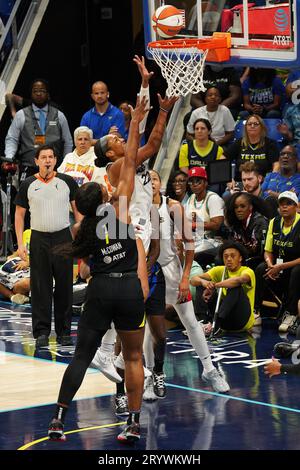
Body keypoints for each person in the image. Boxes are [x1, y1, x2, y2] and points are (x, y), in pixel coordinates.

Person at [47, 96, 149, 444]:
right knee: (133, 357)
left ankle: (59, 418)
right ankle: (133, 424)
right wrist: (135, 120)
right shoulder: (118, 207)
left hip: (101, 290)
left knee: (81, 356)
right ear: (104, 196)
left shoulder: (83, 229)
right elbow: (132, 156)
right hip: (129, 291)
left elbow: (87, 271)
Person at [147, 169, 229, 394]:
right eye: (147, 179)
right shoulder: (136, 208)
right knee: (149, 329)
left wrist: (185, 278)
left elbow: (189, 243)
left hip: (172, 271)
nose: (151, 182)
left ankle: (209, 369)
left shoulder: (172, 206)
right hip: (147, 273)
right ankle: (150, 376)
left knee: (190, 321)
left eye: (155, 178)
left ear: (161, 183)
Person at [14, 144, 80, 348]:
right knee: (40, 287)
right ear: (36, 161)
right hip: (39, 238)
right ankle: (41, 332)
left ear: (55, 160)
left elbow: (78, 214)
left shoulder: (67, 181)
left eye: (51, 156)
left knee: (64, 287)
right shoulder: (27, 184)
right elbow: (19, 215)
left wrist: (80, 237)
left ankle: (64, 332)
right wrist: (20, 244)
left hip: (62, 238)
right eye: (43, 157)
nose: (48, 160)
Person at [4, 79, 73, 177]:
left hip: (54, 169)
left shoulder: (59, 115)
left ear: (48, 94)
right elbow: (12, 138)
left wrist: (66, 164)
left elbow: (68, 141)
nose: (38, 93)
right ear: (31, 93)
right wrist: (9, 157)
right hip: (28, 168)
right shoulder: (21, 115)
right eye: (35, 91)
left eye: (42, 91)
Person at [255, 191, 300, 333]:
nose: (284, 207)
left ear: (296, 207)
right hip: (277, 266)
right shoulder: (274, 222)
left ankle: (291, 314)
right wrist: (270, 265)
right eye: (281, 204)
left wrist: (281, 266)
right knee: (261, 268)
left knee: (297, 270)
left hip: (294, 267)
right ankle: (255, 311)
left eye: (289, 204)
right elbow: (268, 251)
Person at [191, 241, 256, 335]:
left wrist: (214, 285)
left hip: (241, 320)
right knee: (202, 283)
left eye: (233, 256)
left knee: (235, 287)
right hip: (225, 321)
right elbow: (193, 280)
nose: (229, 259)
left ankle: (216, 324)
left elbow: (239, 280)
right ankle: (204, 322)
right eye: (226, 256)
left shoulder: (247, 271)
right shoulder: (219, 270)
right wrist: (204, 283)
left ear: (240, 258)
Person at [185, 166, 224, 268]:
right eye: (191, 182)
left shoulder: (213, 199)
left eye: (198, 181)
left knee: (190, 253)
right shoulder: (191, 198)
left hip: (211, 240)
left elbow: (216, 225)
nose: (194, 184)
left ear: (205, 183)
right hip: (194, 238)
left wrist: (194, 225)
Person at [224, 114, 280, 180]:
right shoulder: (239, 143)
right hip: (241, 182)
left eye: (256, 124)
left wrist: (271, 181)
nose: (252, 126)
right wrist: (228, 179)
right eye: (249, 124)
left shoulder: (270, 143)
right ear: (246, 127)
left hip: (263, 183)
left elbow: (276, 164)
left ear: (261, 127)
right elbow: (222, 159)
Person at [224, 192, 270, 270]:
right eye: (236, 207)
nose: (239, 210)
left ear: (250, 207)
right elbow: (232, 243)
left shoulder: (260, 222)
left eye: (242, 206)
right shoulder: (236, 222)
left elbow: (260, 251)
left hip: (259, 258)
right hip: (243, 255)